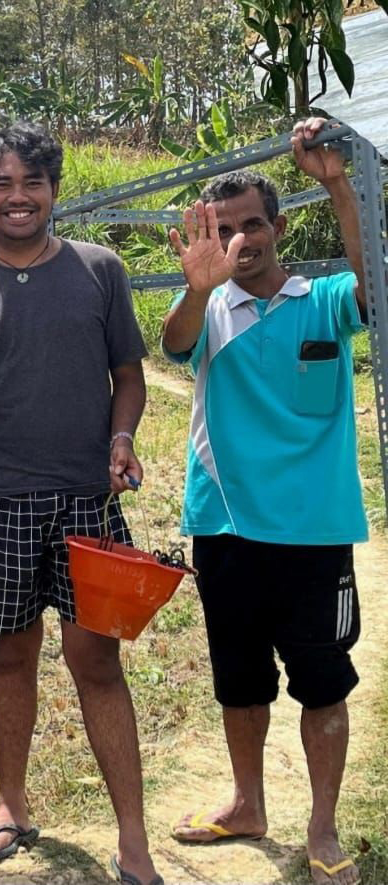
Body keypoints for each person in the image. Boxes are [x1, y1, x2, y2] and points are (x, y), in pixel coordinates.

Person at [0, 122, 160, 884]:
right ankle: (11, 804)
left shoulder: (99, 269)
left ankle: (133, 838)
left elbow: (128, 375)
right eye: (1, 183)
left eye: (32, 182)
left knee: (98, 662)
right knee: (10, 655)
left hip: (87, 499)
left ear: (54, 190)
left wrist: (121, 437)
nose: (18, 196)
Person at [162, 119, 369, 885]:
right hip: (227, 527)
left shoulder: (324, 301)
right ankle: (247, 802)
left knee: (323, 680)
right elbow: (173, 342)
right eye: (224, 229)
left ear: (279, 229)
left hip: (314, 530)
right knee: (239, 679)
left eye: (252, 224)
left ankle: (322, 824)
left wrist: (338, 186)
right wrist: (197, 285)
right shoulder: (207, 309)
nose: (240, 240)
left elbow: (376, 287)